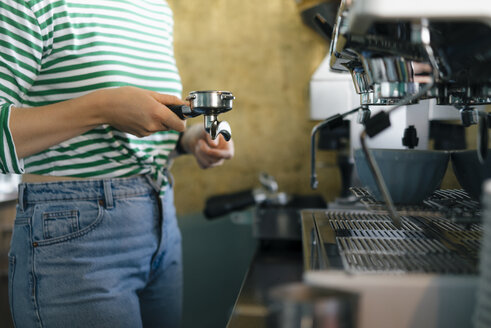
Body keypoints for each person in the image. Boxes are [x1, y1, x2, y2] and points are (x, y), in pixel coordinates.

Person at [0, 1, 234, 327]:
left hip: (161, 221)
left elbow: (130, 136)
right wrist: (104, 107)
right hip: (76, 240)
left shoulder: (154, 8)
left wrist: (188, 141)